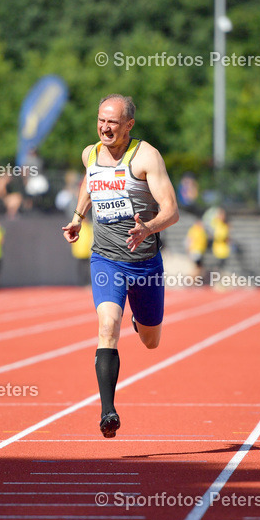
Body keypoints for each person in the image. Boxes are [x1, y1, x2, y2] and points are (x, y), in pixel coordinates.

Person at [62, 94, 179, 438]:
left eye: (112, 122)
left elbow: (172, 211)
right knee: (107, 326)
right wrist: (78, 217)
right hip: (106, 259)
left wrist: (148, 228)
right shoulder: (90, 153)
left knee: (151, 341)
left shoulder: (146, 157)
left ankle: (139, 320)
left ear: (129, 125)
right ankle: (108, 411)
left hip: (144, 264)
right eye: (101, 120)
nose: (105, 127)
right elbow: (89, 181)